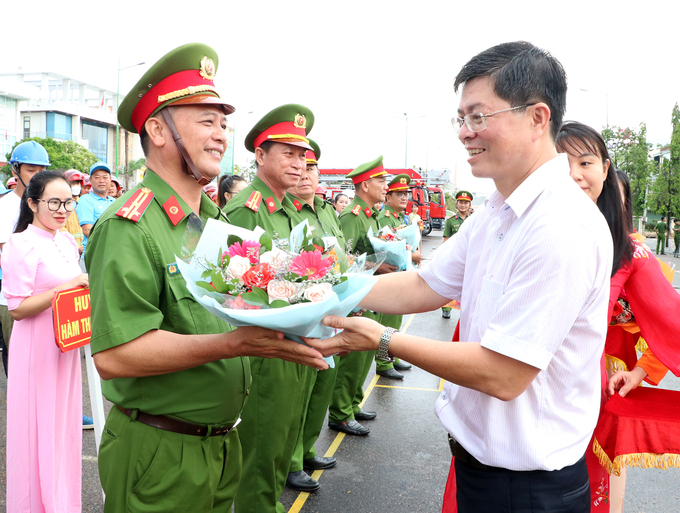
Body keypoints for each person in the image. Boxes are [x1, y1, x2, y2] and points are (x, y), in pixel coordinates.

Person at [307, 42, 612, 513]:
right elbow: (426, 286)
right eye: (461, 119)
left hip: (527, 491)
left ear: (537, 117)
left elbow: (504, 372)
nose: (465, 133)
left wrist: (381, 340)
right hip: (482, 472)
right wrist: (328, 294)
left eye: (478, 117)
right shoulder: (497, 211)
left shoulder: (560, 225)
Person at [85, 45, 326, 513]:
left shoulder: (215, 224)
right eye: (206, 121)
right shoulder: (128, 226)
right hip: (160, 452)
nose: (220, 136)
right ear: (157, 129)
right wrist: (234, 345)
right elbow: (115, 356)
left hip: (220, 446)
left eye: (223, 124)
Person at [557, 121, 680, 513]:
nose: (574, 176)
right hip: (517, 389)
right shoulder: (514, 232)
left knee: (592, 482)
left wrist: (640, 371)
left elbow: (670, 325)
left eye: (586, 164)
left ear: (605, 174)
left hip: (591, 388)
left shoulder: (630, 255)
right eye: (562, 164)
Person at [224, 103, 325, 513]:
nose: (299, 163)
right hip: (263, 350)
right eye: (288, 153)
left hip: (295, 341)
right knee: (261, 452)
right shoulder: (245, 210)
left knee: (283, 444)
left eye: (303, 155)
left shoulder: (286, 209)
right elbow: (230, 288)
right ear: (260, 155)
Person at [4, 170, 89, 512]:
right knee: (34, 432)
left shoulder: (66, 242)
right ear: (32, 203)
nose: (62, 209)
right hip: (35, 349)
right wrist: (64, 289)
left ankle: (62, 503)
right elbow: (18, 309)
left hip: (65, 347)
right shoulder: (20, 243)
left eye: (68, 201)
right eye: (53, 202)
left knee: (63, 431)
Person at [285, 138, 344, 492]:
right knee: (298, 395)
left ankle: (306, 449)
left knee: (320, 389)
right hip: (300, 318)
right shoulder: (287, 209)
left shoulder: (325, 210)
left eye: (311, 167)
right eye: (300, 167)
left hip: (328, 313)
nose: (305, 174)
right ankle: (291, 461)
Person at [327, 155, 398, 437]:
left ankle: (353, 404)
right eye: (381, 181)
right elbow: (342, 257)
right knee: (352, 359)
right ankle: (341, 413)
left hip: (370, 292)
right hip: (355, 296)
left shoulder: (368, 214)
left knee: (364, 356)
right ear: (365, 184)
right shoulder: (351, 215)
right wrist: (377, 265)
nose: (385, 186)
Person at [0, 141, 50, 375]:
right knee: (20, 364)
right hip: (17, 298)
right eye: (31, 170)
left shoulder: (47, 204)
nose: (38, 175)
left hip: (48, 295)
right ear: (15, 171)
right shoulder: (5, 207)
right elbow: (8, 253)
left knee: (47, 360)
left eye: (42, 170)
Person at [374, 173, 419, 379]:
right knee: (387, 320)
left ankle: (393, 355)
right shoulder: (384, 217)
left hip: (400, 275)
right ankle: (383, 362)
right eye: (398, 194)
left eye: (406, 194)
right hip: (389, 276)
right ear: (388, 197)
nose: (404, 197)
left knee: (396, 319)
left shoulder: (403, 218)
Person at [441, 190, 473, 319]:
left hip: (469, 257)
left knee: (467, 285)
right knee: (448, 282)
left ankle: (465, 310)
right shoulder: (450, 221)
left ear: (470, 205)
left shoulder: (473, 221)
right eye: (461, 202)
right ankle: (446, 307)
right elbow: (446, 240)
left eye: (466, 203)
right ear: (457, 204)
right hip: (454, 256)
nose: (463, 205)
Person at [75, 161, 114, 259]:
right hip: (94, 256)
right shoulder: (86, 200)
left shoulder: (114, 201)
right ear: (91, 180)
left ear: (110, 180)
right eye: (97, 177)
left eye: (105, 177)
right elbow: (88, 230)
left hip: (111, 255)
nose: (101, 180)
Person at [62, 169, 85, 254]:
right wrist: (75, 246)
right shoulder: (61, 203)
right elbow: (61, 228)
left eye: (78, 183)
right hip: (67, 248)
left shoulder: (82, 202)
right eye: (73, 183)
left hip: (81, 250)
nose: (76, 186)